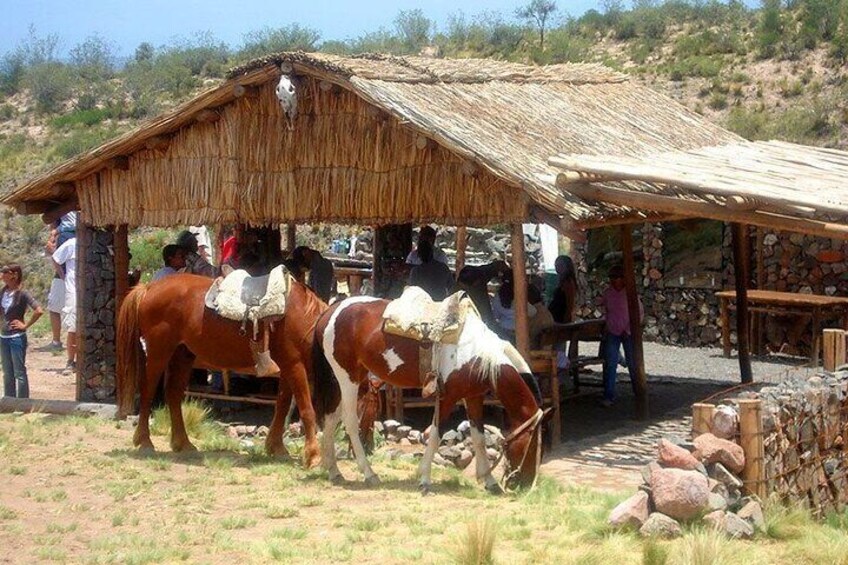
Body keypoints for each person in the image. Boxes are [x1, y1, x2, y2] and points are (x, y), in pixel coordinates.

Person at [599, 265, 643, 407]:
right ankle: (609, 395)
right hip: (613, 331)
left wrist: (630, 329)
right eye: (611, 278)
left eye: (616, 278)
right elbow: (605, 308)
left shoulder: (630, 294)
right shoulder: (608, 293)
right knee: (610, 364)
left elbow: (639, 313)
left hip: (628, 332)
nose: (613, 281)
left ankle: (638, 391)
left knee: (632, 362)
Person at [0, 264, 43, 398]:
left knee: (19, 371)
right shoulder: (3, 292)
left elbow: (38, 310)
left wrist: (25, 325)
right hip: (4, 336)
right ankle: (9, 401)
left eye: (5, 272)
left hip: (17, 337)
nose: (2, 274)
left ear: (14, 275)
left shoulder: (23, 293)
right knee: (7, 372)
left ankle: (23, 402)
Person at [457, 259, 510, 328]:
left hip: (484, 308)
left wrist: (508, 279)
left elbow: (499, 264)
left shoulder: (483, 272)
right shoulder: (460, 288)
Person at [52, 236, 77, 371]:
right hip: (73, 291)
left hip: (90, 289)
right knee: (73, 327)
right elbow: (56, 258)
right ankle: (70, 361)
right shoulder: (71, 243)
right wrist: (63, 276)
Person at [491, 277, 536, 342]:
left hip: (504, 330)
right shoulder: (519, 297)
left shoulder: (497, 297)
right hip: (520, 330)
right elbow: (533, 312)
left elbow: (496, 315)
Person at [44, 226, 64, 350]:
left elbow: (52, 255)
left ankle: (56, 341)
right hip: (64, 275)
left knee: (54, 309)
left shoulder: (60, 235)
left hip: (62, 275)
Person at [549, 255, 578, 324]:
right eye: (556, 265)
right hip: (556, 317)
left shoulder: (568, 281)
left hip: (561, 318)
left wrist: (566, 320)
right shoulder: (561, 280)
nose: (557, 267)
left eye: (560, 265)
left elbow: (570, 304)